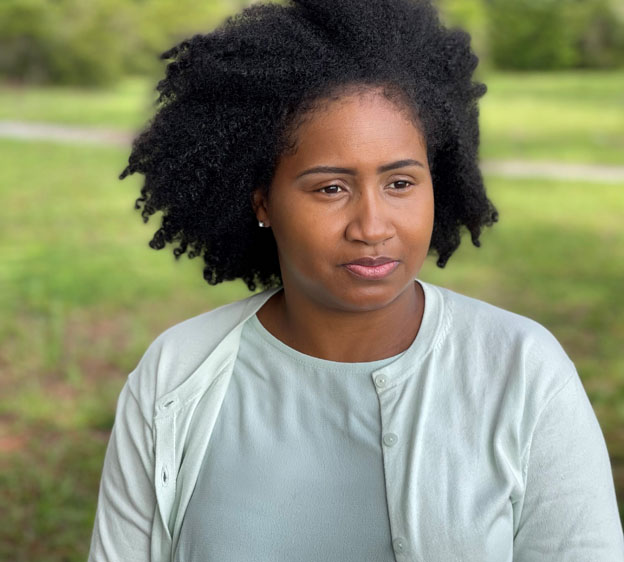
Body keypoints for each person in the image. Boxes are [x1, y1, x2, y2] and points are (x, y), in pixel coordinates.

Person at [88, 0, 624, 560]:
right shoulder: (175, 376)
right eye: (330, 188)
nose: (372, 227)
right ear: (263, 202)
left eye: (399, 183)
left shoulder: (522, 370)